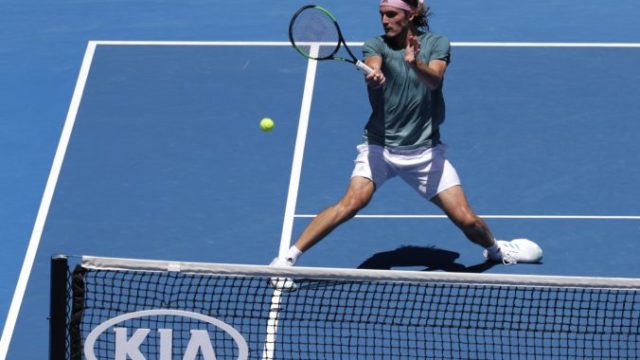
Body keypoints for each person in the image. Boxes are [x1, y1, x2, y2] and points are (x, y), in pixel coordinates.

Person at [272, 0, 542, 270]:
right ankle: (286, 259)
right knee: (352, 202)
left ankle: (496, 250)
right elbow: (373, 63)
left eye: (391, 14)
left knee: (468, 221)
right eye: (382, 15)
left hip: (425, 153)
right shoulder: (375, 45)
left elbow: (434, 79)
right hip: (380, 148)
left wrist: (414, 63)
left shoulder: (437, 43)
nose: (385, 21)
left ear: (411, 14)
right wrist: (374, 73)